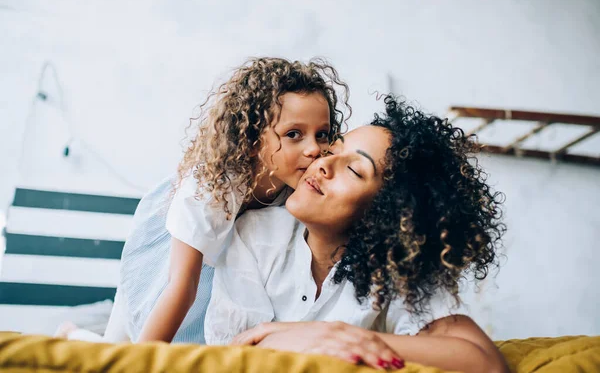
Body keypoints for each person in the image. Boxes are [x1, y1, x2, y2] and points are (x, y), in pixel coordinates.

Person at [205, 96, 509, 373]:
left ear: (388, 212)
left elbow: (485, 364)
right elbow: (235, 355)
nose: (323, 164)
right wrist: (321, 338)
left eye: (354, 170)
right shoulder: (254, 234)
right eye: (333, 150)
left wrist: (343, 336)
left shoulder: (398, 268)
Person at [56, 57, 350, 343]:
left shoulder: (303, 185)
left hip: (228, 266)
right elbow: (182, 284)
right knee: (124, 342)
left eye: (322, 134)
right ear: (251, 140)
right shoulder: (212, 186)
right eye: (294, 134)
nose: (314, 149)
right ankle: (72, 334)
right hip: (170, 249)